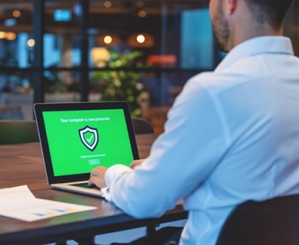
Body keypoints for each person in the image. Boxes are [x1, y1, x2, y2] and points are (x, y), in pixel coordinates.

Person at [89, 0, 299, 244]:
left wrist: (113, 174)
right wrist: (169, 165)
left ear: (230, 4)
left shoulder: (214, 92)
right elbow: (261, 165)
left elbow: (144, 200)